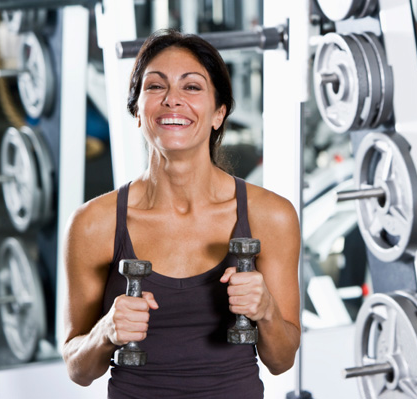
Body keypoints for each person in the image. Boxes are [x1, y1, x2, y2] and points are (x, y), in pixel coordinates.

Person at [62, 29, 301, 398]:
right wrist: (105, 331)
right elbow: (78, 369)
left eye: (192, 87)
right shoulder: (94, 224)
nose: (173, 100)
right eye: (155, 87)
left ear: (219, 113)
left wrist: (266, 310)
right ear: (137, 112)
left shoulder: (272, 216)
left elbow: (281, 360)